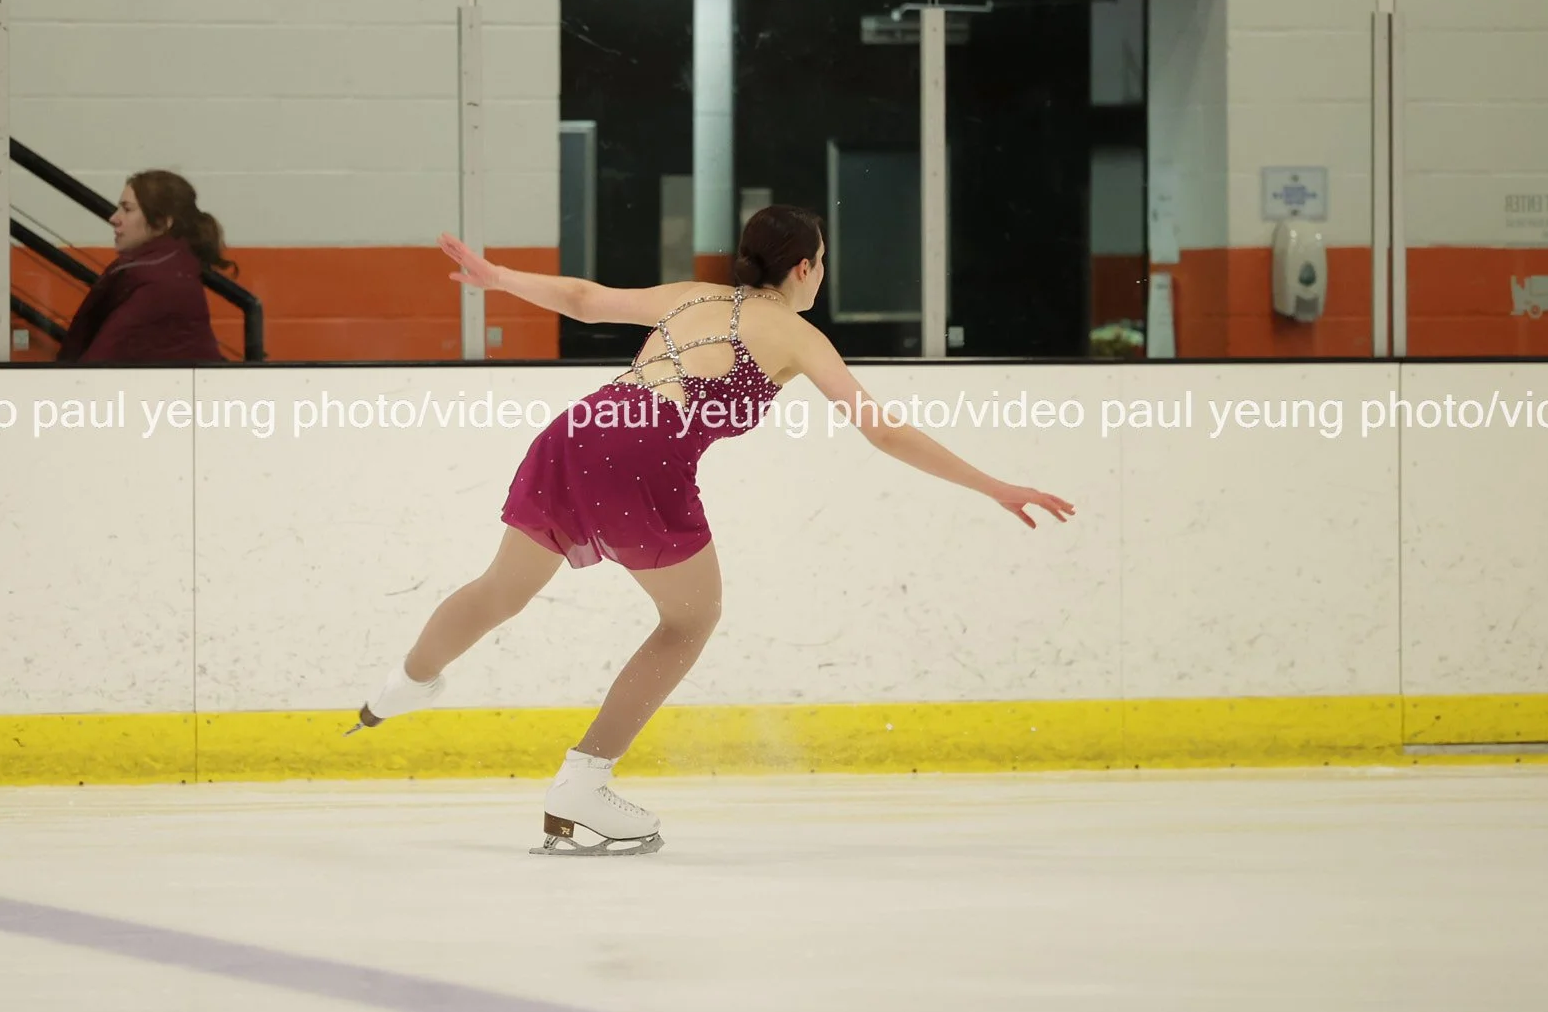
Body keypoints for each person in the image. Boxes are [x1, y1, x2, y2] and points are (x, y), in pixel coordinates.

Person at [348, 205, 1075, 857]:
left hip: (582, 427)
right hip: (644, 453)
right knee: (691, 619)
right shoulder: (797, 335)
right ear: (803, 267)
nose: (822, 275)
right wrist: (995, 485)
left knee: (500, 590)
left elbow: (584, 300)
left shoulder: (691, 296)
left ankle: (402, 685)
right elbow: (882, 431)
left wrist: (498, 277)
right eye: (822, 261)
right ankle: (583, 782)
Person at [55, 169, 231, 363]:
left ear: (162, 222)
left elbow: (98, 365)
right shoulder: (160, 268)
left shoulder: (160, 284)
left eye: (127, 209)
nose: (114, 218)